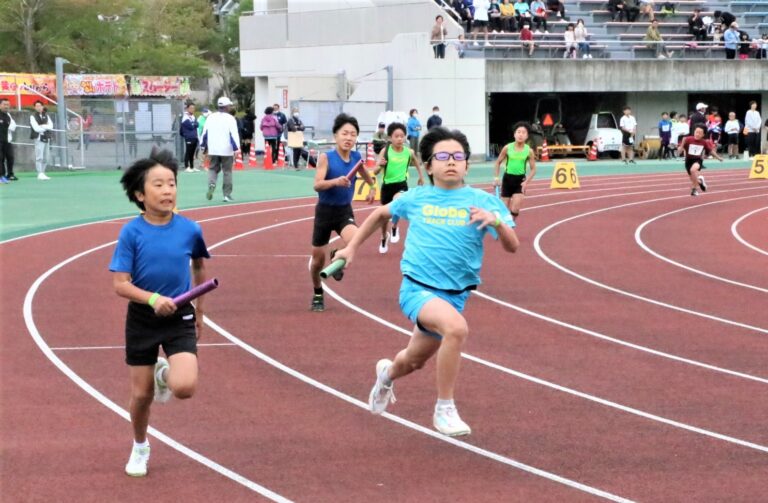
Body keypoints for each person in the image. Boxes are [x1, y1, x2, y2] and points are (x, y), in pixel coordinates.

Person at [333, 126, 519, 437]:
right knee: (456, 329)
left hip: (455, 295)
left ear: (467, 165)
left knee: (412, 361)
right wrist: (351, 247)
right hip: (417, 290)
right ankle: (444, 408)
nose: (451, 162)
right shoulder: (417, 198)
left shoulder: (482, 201)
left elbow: (512, 246)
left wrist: (498, 223)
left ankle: (386, 375)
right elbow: (380, 214)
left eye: (458, 156)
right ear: (428, 165)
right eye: (442, 156)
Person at [109, 148, 210, 477]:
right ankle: (140, 445)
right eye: (158, 185)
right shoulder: (131, 233)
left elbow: (198, 267)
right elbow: (120, 284)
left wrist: (200, 311)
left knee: (185, 387)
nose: (168, 190)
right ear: (140, 194)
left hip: (179, 314)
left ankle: (164, 373)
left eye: (172, 183)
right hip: (143, 318)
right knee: (141, 395)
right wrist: (152, 299)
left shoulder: (190, 229)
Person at [309, 113, 376, 312]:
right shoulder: (326, 158)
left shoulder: (356, 157)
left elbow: (362, 171)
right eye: (345, 133)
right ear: (336, 135)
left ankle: (337, 254)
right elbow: (317, 185)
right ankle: (318, 292)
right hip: (324, 212)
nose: (349, 138)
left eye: (353, 134)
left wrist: (372, 186)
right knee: (317, 261)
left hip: (343, 211)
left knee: (356, 239)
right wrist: (336, 182)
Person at [373, 122, 425, 253]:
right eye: (396, 136)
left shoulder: (409, 151)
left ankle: (395, 226)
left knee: (398, 203)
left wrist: (421, 176)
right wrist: (380, 165)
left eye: (402, 136)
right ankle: (384, 237)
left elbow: (417, 163)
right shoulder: (385, 151)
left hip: (401, 184)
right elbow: (375, 171)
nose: (400, 139)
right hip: (387, 186)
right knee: (384, 217)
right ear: (390, 138)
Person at [493, 121, 537, 220]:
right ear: (514, 134)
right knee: (503, 209)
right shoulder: (507, 148)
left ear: (527, 136)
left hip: (520, 181)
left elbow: (533, 169)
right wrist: (496, 178)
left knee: (515, 209)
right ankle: (503, 229)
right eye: (518, 132)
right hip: (507, 179)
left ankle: (510, 227)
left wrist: (526, 182)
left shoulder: (529, 151)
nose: (520, 134)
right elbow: (497, 162)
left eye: (523, 132)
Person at [200, 96, 240, 202]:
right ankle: (227, 195)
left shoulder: (210, 117)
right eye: (229, 106)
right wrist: (237, 149)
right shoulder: (230, 118)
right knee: (227, 171)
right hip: (227, 149)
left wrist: (203, 146)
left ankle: (212, 184)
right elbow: (233, 135)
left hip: (213, 149)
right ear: (227, 107)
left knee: (212, 169)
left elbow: (205, 133)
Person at [678, 125, 723, 196]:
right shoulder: (688, 139)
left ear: (703, 135)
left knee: (693, 170)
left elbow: (711, 151)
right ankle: (700, 182)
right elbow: (679, 152)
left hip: (697, 160)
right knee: (693, 179)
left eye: (700, 133)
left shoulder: (704, 142)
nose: (697, 134)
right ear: (694, 132)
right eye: (696, 132)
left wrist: (718, 157)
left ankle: (694, 190)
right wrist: (683, 143)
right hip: (688, 161)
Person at [30, 100, 53, 180]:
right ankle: (39, 173)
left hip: (46, 137)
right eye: (36, 106)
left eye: (40, 106)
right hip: (39, 138)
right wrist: (45, 127)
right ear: (34, 107)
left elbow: (51, 126)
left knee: (46, 157)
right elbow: (36, 128)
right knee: (39, 156)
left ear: (42, 107)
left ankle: (43, 172)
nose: (38, 107)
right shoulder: (32, 116)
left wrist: (43, 126)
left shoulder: (46, 115)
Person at [0, 98, 17, 183]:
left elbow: (13, 127)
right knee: (0, 158)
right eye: (4, 104)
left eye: (8, 104)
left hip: (6, 141)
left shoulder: (7, 116)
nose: (6, 106)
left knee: (10, 157)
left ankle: (9, 174)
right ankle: (1, 176)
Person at [180, 103, 200, 173]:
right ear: (187, 109)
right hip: (188, 137)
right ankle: (186, 166)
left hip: (194, 137)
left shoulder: (193, 116)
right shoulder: (185, 117)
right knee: (188, 152)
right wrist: (194, 124)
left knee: (192, 153)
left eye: (193, 108)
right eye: (191, 108)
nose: (192, 109)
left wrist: (194, 124)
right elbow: (190, 126)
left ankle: (192, 166)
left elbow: (197, 124)